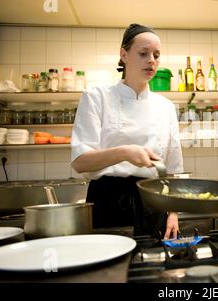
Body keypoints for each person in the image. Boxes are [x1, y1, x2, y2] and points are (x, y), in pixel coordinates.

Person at [71, 23, 183, 239]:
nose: (151, 60)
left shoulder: (166, 107)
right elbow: (80, 162)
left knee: (154, 267)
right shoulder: (96, 97)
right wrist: (124, 152)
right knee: (109, 269)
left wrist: (174, 212)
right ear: (124, 55)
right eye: (143, 53)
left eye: (156, 55)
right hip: (108, 200)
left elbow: (173, 169)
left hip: (154, 201)